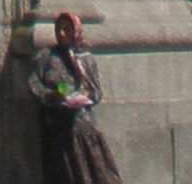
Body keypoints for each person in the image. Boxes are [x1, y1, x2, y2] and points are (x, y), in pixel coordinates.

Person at [26, 11, 121, 184]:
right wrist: (51, 95)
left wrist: (84, 96)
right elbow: (33, 84)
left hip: (82, 129)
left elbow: (97, 92)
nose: (62, 34)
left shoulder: (85, 59)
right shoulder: (46, 56)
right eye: (59, 29)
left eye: (67, 29)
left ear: (76, 31)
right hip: (57, 131)